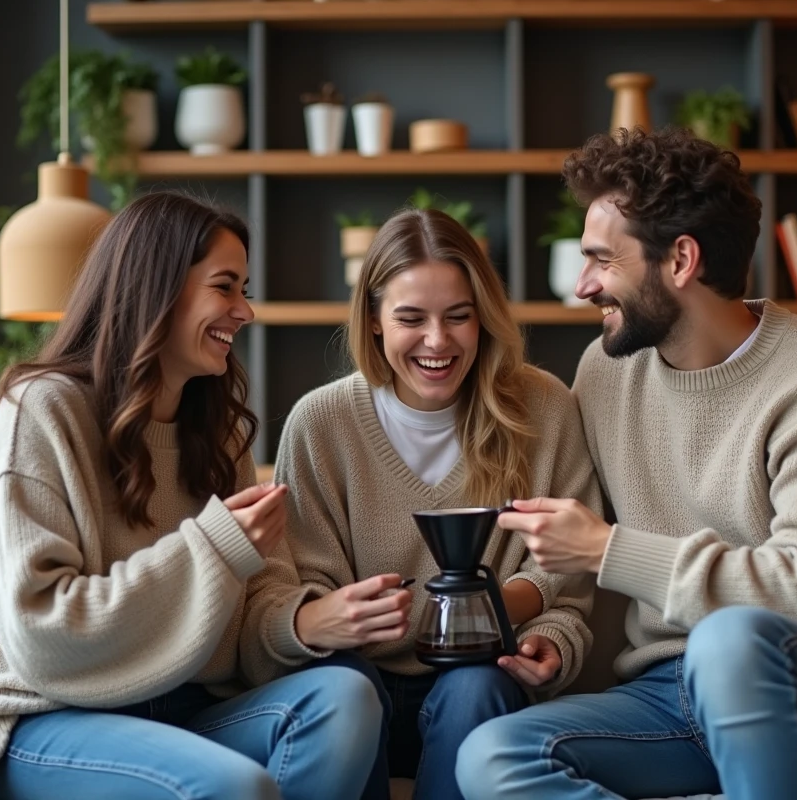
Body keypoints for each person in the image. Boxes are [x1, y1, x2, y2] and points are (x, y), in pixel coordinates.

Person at [456, 127, 797, 800]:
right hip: (672, 690)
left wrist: (609, 550)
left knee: (732, 642)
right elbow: (563, 552)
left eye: (602, 260)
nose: (582, 285)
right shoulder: (605, 371)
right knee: (491, 755)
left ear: (681, 260)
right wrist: (552, 639)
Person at [0, 192, 382, 800]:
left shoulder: (219, 430)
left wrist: (304, 622)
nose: (244, 312)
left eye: (246, 291)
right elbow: (40, 633)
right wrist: (210, 548)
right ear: (158, 288)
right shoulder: (45, 409)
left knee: (347, 694)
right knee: (231, 786)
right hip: (38, 714)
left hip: (177, 707)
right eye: (225, 287)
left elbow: (249, 609)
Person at [243, 207, 602, 800]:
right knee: (342, 688)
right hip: (354, 679)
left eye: (459, 317)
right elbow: (292, 592)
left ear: (483, 319)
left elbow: (569, 580)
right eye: (411, 318)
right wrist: (328, 616)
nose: (438, 341)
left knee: (476, 683)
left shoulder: (544, 409)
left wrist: (553, 644)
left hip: (484, 683)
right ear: (375, 321)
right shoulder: (321, 423)